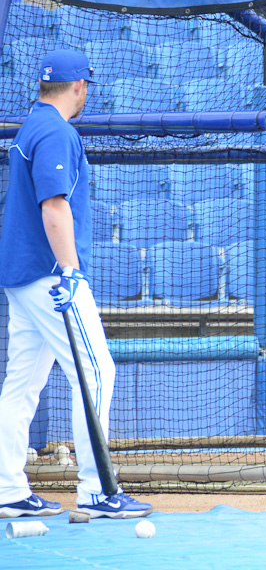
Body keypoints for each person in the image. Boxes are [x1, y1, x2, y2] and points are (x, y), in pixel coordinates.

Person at [0, 50, 153, 518]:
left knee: (22, 384)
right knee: (96, 373)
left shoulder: (32, 124)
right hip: (50, 277)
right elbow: (54, 206)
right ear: (79, 87)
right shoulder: (56, 131)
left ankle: (7, 489)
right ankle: (97, 489)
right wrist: (68, 270)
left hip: (22, 276)